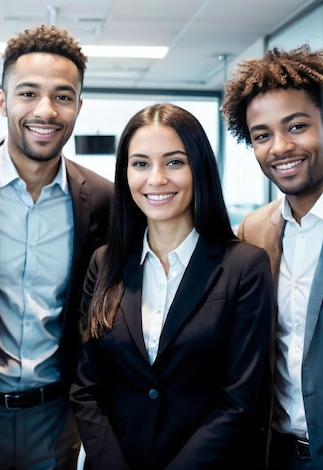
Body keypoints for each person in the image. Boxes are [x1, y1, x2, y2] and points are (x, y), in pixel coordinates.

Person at [70, 103, 274, 469]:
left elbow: (239, 400)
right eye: (141, 163)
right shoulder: (105, 263)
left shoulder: (244, 266)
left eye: (175, 162)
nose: (157, 178)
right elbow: (86, 390)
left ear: (200, 169)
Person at [0, 25, 112, 469]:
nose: (45, 110)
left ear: (79, 107)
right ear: (3, 100)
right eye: (28, 93)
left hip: (56, 417)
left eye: (63, 97)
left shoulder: (104, 199)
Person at [222, 44, 323, 470]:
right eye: (262, 135)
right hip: (274, 454)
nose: (279, 147)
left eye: (296, 126)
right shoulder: (254, 232)